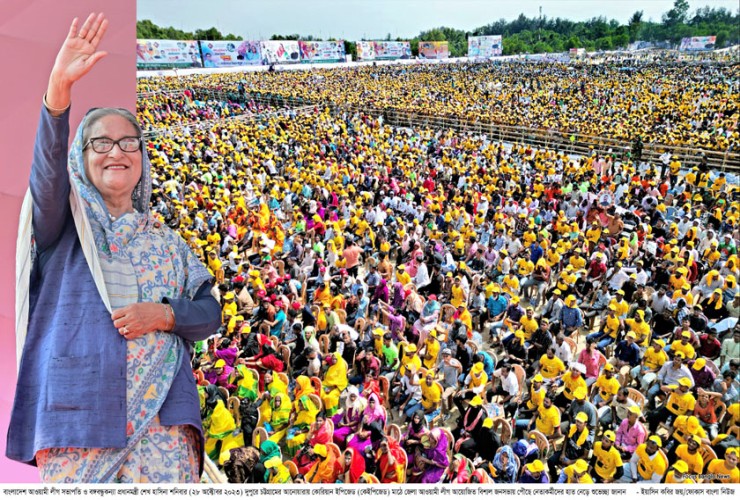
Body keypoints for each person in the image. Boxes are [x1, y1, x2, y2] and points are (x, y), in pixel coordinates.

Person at [7, 14, 221, 482]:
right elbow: (45, 180)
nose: (116, 151)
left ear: (143, 160)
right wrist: (58, 94)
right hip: (78, 417)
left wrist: (164, 315)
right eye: (99, 142)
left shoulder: (169, 242)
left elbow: (210, 312)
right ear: (80, 162)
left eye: (128, 142)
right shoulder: (62, 228)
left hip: (165, 425)